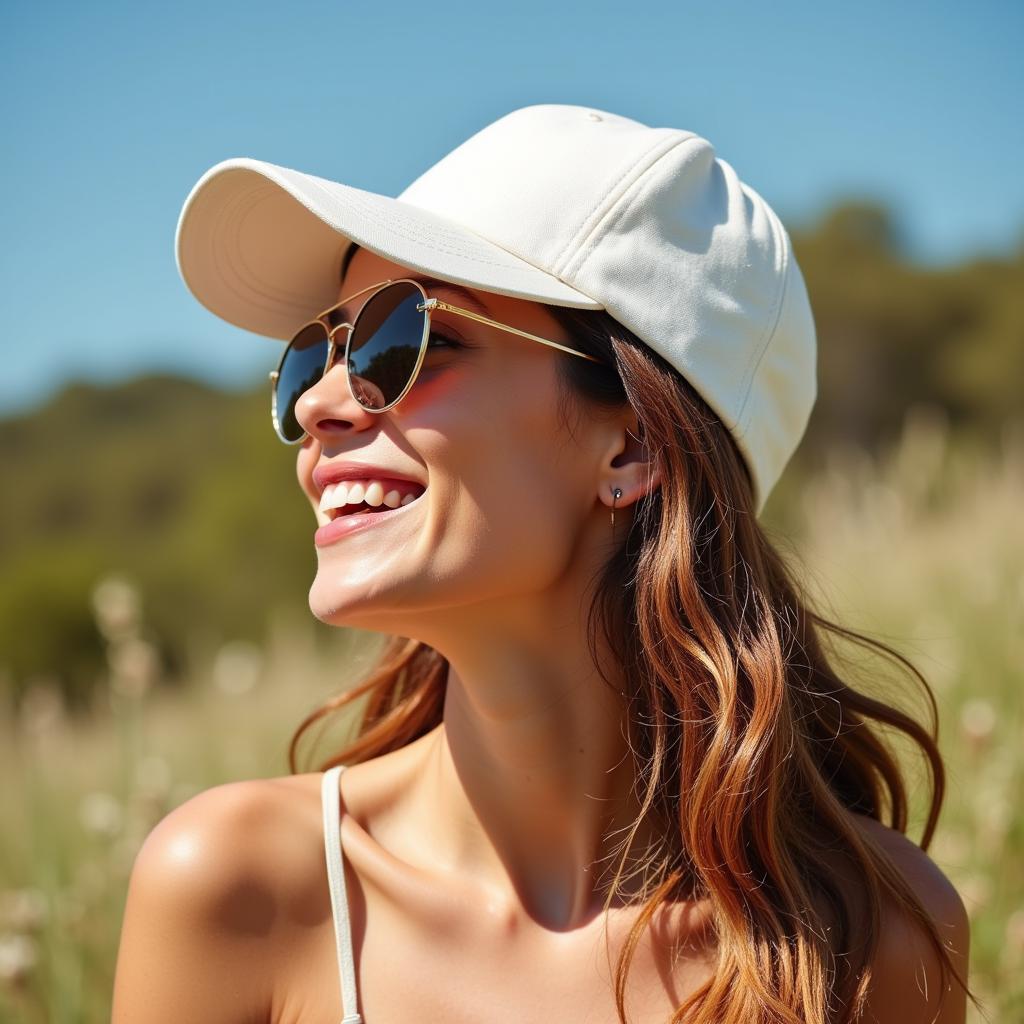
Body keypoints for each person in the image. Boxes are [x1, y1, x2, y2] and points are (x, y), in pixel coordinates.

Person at [111, 104, 974, 1024]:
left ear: (633, 446)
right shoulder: (236, 893)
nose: (322, 402)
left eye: (407, 342)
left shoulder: (865, 936)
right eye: (312, 359)